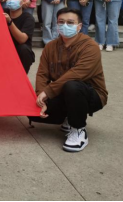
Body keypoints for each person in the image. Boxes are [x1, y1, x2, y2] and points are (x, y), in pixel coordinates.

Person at [29, 8, 108, 153]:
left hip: (90, 94)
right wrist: (41, 97)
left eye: (70, 22)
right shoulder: (50, 47)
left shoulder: (90, 47)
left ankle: (78, 129)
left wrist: (48, 91)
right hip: (62, 93)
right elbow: (42, 74)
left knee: (72, 86)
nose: (65, 25)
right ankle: (68, 116)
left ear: (79, 26)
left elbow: (76, 74)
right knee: (31, 108)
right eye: (61, 22)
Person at [4, 0, 36, 74]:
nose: (11, 0)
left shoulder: (28, 18)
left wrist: (9, 22)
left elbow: (22, 39)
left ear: (23, 1)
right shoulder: (2, 12)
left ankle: (22, 76)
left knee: (24, 48)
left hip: (20, 52)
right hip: (4, 49)